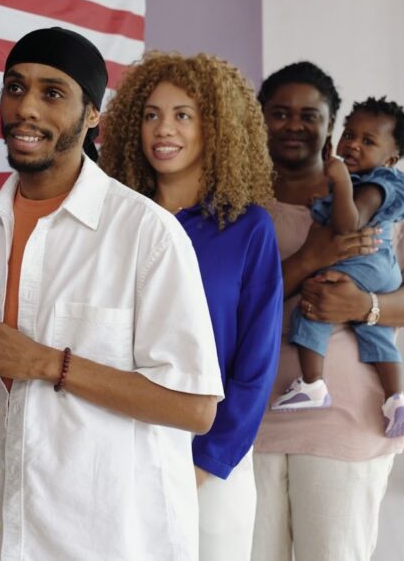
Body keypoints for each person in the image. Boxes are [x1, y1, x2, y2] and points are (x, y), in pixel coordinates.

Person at [0, 28, 224, 561]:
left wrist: (48, 362)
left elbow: (196, 409)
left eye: (52, 93)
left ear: (93, 114)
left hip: (107, 539)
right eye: (15, 88)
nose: (26, 107)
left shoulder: (147, 234)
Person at [251, 61, 404, 561]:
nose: (294, 125)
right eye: (279, 113)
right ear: (259, 120)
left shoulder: (382, 201)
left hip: (344, 422)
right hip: (250, 419)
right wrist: (311, 258)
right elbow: (221, 308)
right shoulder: (239, 201)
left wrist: (366, 306)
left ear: (330, 126)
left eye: (310, 115)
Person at [99, 51, 283, 561]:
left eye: (183, 114)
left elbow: (255, 367)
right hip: (119, 449)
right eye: (152, 114)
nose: (164, 129)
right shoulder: (115, 219)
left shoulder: (248, 229)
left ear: (216, 127)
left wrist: (204, 463)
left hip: (212, 466)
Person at [271, 97, 404, 438]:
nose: (352, 144)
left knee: (315, 305)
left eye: (368, 141)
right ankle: (396, 399)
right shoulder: (366, 182)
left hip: (362, 263)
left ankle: (312, 384)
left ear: (391, 159)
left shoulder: (371, 185)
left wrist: (339, 182)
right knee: (376, 331)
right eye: (350, 134)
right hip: (379, 270)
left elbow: (348, 226)